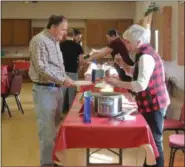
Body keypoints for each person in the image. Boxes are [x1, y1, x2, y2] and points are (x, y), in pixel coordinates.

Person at [105, 24, 170, 167]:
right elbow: (134, 72)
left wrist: (118, 83)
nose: (125, 44)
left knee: (155, 140)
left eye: (128, 42)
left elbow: (141, 84)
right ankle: (149, 164)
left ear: (139, 42)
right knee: (150, 140)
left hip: (155, 103)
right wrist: (122, 65)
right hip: (152, 102)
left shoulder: (146, 56)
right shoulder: (143, 54)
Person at [29, 14, 75, 167]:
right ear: (54, 27)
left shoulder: (54, 41)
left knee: (55, 129)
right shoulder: (39, 41)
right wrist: (63, 79)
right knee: (47, 133)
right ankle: (47, 164)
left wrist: (64, 79)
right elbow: (42, 68)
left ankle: (53, 161)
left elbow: (57, 67)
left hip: (56, 90)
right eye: (63, 30)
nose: (65, 33)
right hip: (44, 91)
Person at [59, 29, 84, 113]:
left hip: (62, 73)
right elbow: (81, 60)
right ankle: (71, 113)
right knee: (72, 94)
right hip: (73, 71)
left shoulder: (60, 45)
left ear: (65, 35)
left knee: (62, 93)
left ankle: (60, 113)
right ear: (73, 36)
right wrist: (78, 68)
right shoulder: (78, 46)